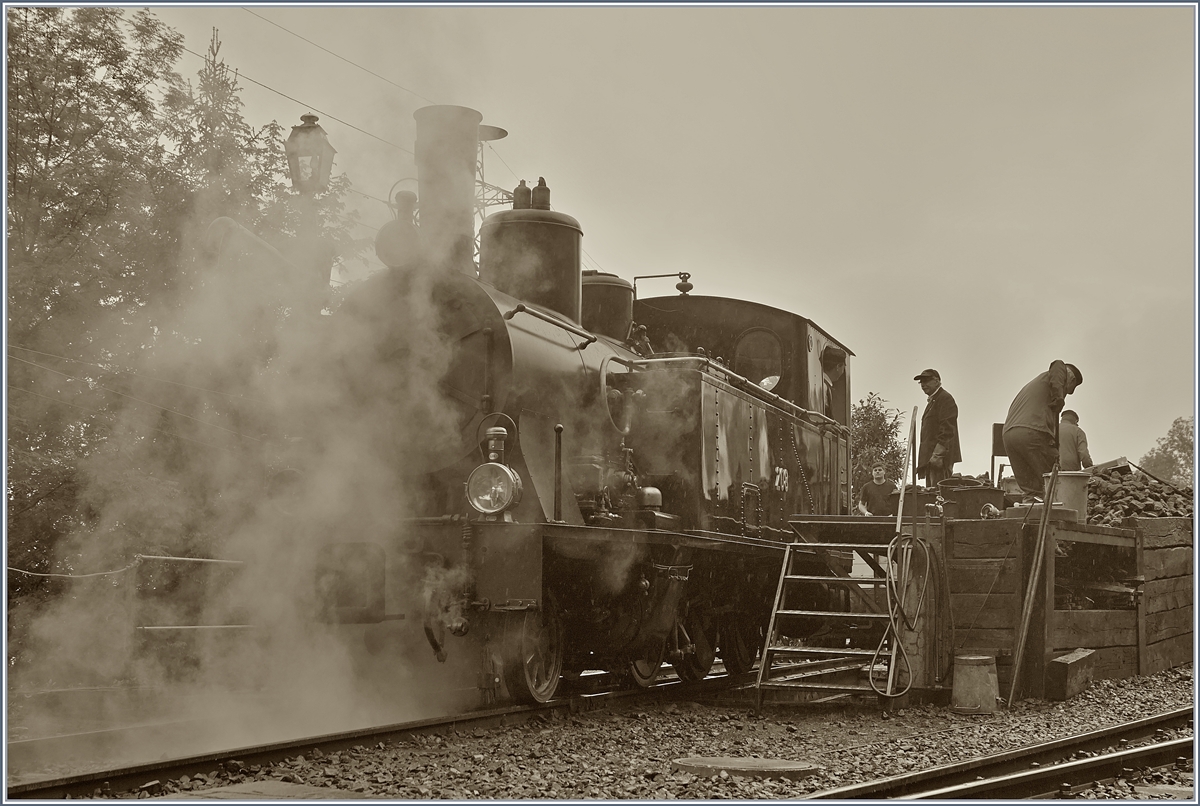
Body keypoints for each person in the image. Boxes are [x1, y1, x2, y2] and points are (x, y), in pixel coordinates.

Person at [1002, 360, 1083, 503]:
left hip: (1009, 435)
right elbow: (1058, 365)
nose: (1066, 394)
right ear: (1071, 378)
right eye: (1069, 390)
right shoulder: (1060, 370)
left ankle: (1032, 521)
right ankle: (1056, 521)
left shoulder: (1038, 385)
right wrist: (1059, 396)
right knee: (1055, 483)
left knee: (1032, 491)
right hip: (1032, 431)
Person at [913, 369, 961, 488]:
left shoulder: (945, 398)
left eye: (926, 381)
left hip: (940, 459)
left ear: (937, 381)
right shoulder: (934, 401)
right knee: (932, 492)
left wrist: (938, 455)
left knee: (939, 493)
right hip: (932, 457)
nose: (923, 385)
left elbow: (948, 428)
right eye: (921, 382)